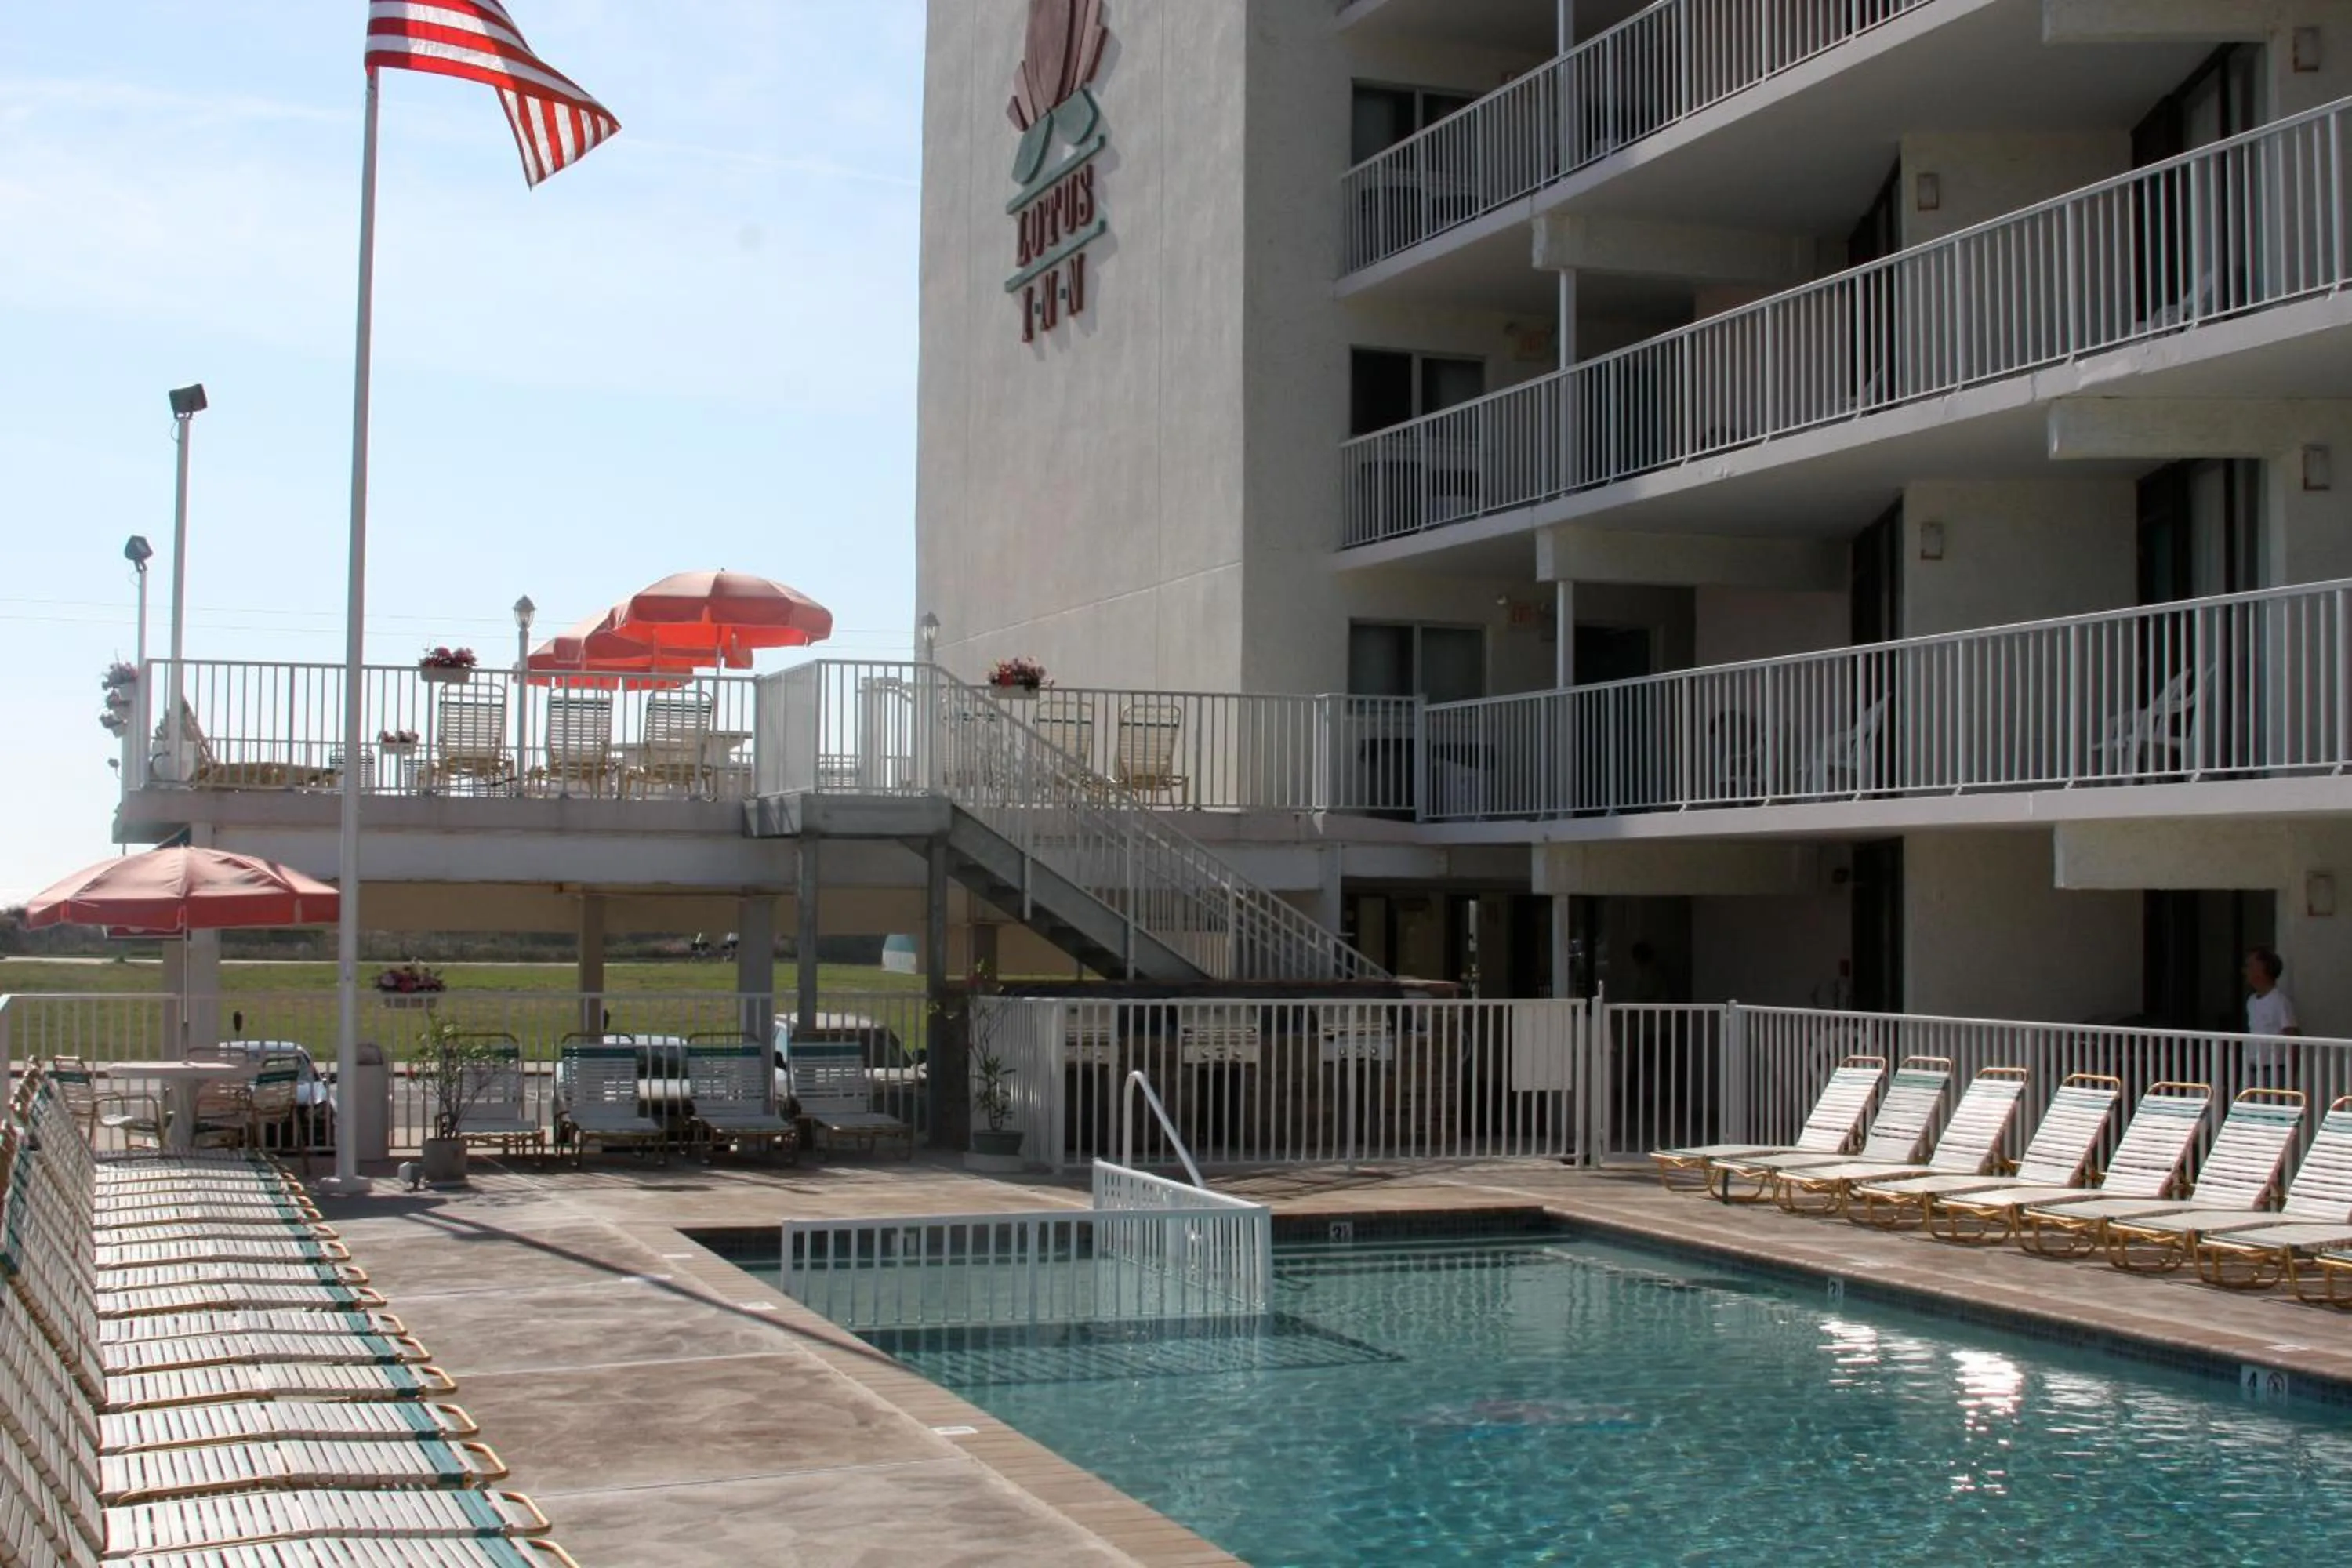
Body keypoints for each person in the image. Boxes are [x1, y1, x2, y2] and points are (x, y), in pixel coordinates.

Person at [2244, 948, 2301, 1087]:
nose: (2246, 971)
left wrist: (2291, 1077)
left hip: (2274, 1070)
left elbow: (2293, 1038)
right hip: (2252, 1069)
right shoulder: (2251, 1001)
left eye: (2250, 966)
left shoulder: (2280, 1001)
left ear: (2262, 969)